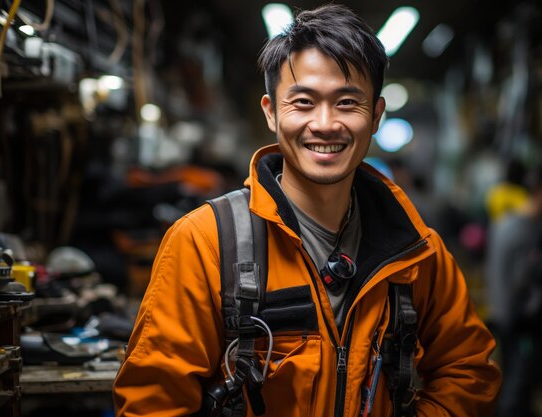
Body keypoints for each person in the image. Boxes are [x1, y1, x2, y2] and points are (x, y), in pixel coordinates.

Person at [113, 5, 501, 416]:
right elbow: (152, 403)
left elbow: (469, 371)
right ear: (271, 112)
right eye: (303, 102)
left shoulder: (416, 252)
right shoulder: (205, 243)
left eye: (347, 102)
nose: (325, 123)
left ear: (376, 116)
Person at [485, 160, 542, 417]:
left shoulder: (505, 223)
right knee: (519, 386)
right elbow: (522, 280)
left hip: (502, 314)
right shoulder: (525, 230)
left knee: (513, 382)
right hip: (519, 321)